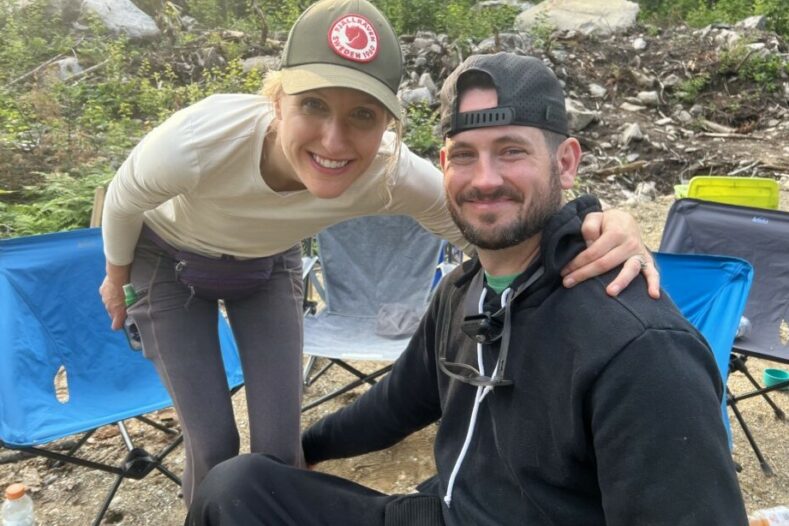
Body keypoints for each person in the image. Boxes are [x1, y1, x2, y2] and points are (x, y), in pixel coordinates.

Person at [99, 0, 657, 508]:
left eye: (363, 115)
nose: (335, 141)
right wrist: (115, 275)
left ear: (388, 124)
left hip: (268, 265)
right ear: (275, 100)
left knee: (278, 441)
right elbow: (123, 197)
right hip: (169, 259)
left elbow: (493, 227)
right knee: (214, 439)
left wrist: (595, 226)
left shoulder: (387, 173)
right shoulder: (201, 141)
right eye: (313, 105)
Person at [185, 52, 748, 526]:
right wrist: (302, 451)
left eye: (512, 151)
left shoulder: (639, 347)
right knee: (236, 487)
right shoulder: (466, 290)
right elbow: (400, 401)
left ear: (567, 162)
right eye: (464, 156)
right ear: (442, 168)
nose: (484, 179)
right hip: (446, 510)